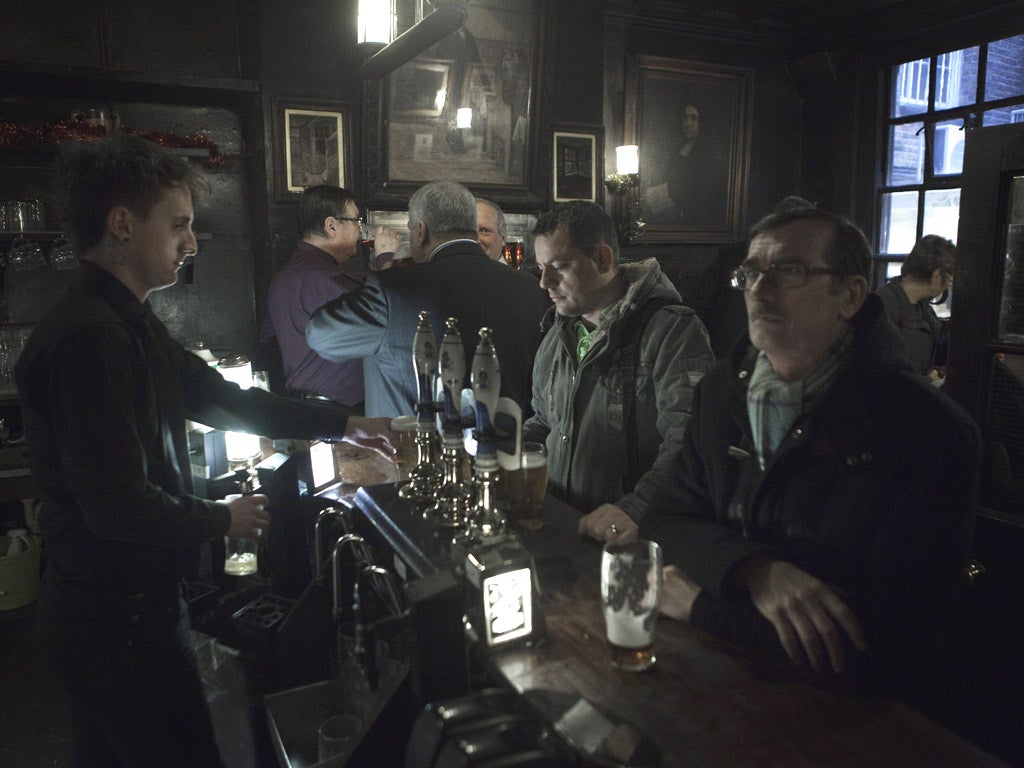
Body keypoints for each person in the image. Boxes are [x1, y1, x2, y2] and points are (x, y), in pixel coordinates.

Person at [13, 133, 394, 768]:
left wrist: (343, 423)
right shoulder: (91, 337)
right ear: (123, 225)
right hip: (116, 622)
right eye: (180, 224)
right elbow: (116, 508)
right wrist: (224, 518)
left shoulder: (127, 320)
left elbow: (221, 398)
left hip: (116, 613)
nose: (191, 243)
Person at [640, 205, 980, 701]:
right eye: (750, 273)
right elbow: (664, 524)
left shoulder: (930, 432)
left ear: (849, 295)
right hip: (709, 682)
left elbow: (888, 645)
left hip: (844, 719)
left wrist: (700, 605)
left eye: (788, 271)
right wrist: (754, 570)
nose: (758, 289)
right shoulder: (721, 391)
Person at [521, 201, 714, 543]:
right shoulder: (556, 332)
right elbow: (543, 423)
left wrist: (636, 508)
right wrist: (502, 454)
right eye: (540, 268)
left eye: (559, 266)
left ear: (603, 259)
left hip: (628, 539)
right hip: (560, 525)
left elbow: (690, 439)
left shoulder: (671, 330)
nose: (544, 282)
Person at [306, 180, 551, 417]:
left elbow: (320, 336)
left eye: (411, 228)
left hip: (415, 452)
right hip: (509, 451)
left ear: (421, 231)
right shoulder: (532, 288)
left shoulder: (393, 288)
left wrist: (383, 276)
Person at [261, 185, 399, 405]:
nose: (360, 231)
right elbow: (384, 316)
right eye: (356, 221)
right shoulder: (322, 278)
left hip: (304, 402)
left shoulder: (288, 274)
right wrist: (385, 259)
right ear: (331, 226)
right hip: (337, 409)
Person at [876, 234, 957, 382]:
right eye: (949, 281)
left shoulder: (924, 309)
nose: (947, 287)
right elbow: (880, 372)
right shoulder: (883, 307)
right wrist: (927, 381)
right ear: (937, 275)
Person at [647, 101, 727, 226]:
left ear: (702, 122)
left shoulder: (709, 153)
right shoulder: (680, 148)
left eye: (694, 118)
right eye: (685, 117)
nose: (688, 123)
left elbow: (705, 192)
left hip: (692, 218)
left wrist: (683, 210)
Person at [476, 197, 508, 263]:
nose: (476, 240)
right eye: (469, 232)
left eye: (485, 231)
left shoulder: (513, 273)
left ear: (503, 238)